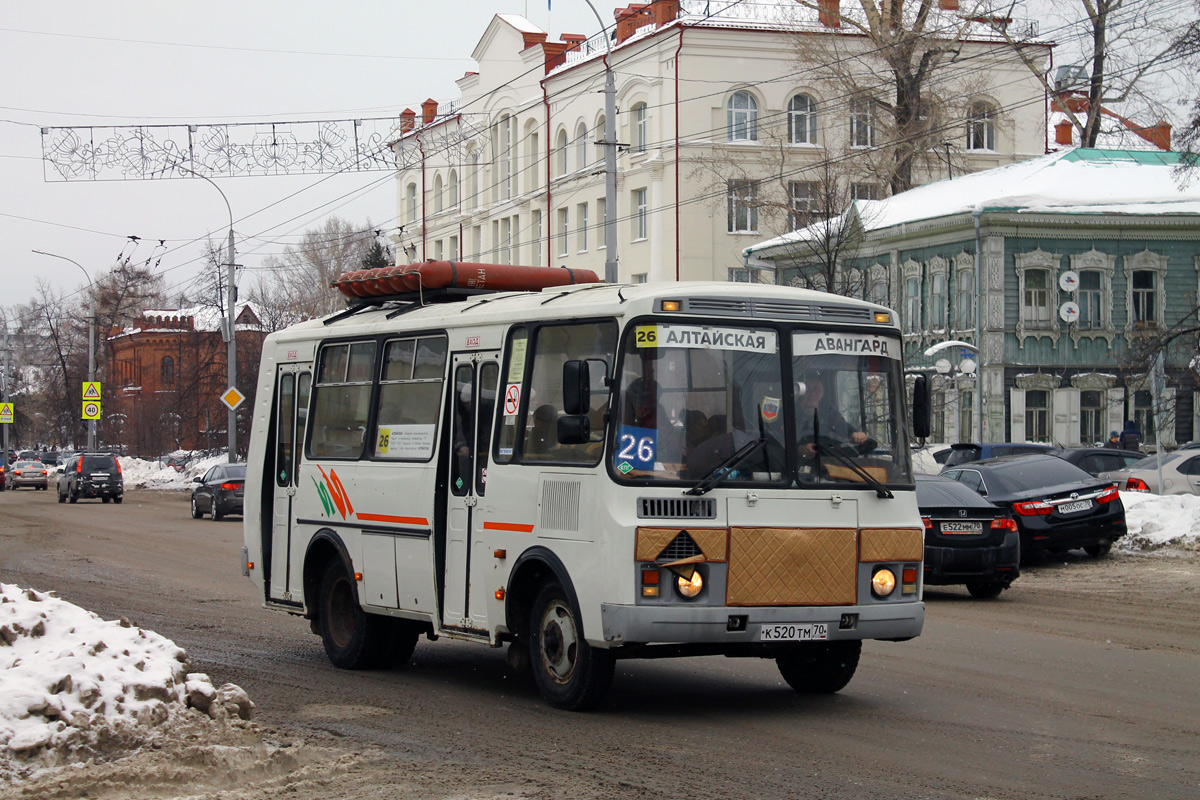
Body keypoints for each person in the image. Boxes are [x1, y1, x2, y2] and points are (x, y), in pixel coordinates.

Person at [794, 370, 869, 455]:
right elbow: (780, 445)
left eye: (816, 389)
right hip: (796, 465)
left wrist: (855, 434)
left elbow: (844, 429)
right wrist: (800, 449)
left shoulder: (828, 410)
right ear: (799, 392)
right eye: (807, 389)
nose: (812, 393)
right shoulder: (788, 413)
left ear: (823, 392)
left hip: (829, 461)